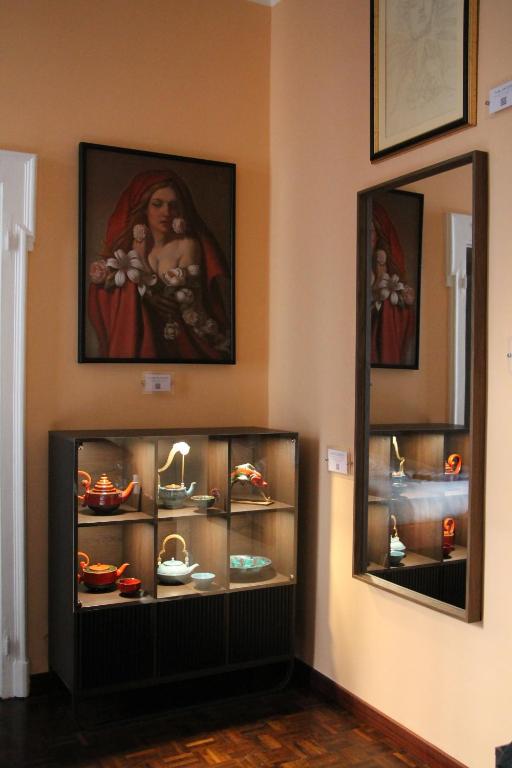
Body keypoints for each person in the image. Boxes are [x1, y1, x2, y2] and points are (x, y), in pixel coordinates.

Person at [88, 170, 230, 360]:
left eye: (173, 205)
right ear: (145, 208)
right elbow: (111, 290)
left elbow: (184, 299)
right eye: (157, 204)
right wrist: (140, 255)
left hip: (180, 337)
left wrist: (149, 289)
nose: (166, 212)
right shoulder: (133, 244)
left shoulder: (187, 245)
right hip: (143, 335)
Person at [370, 201, 416, 366]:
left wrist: (404, 295)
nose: (368, 238)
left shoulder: (383, 264)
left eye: (371, 232)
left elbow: (393, 289)